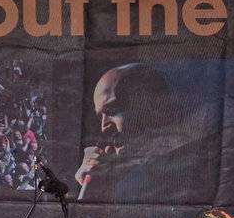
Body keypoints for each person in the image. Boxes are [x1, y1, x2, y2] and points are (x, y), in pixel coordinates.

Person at [74, 64, 175, 203]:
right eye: (100, 117)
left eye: (112, 110)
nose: (104, 127)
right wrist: (93, 188)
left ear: (148, 104)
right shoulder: (119, 170)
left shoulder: (183, 169)